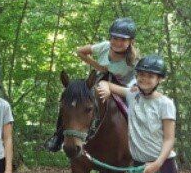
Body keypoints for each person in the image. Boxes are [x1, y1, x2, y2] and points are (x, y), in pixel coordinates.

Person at [46, 17, 139, 152]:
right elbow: (80, 51)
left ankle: (139, 143)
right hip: (101, 80)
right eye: (115, 38)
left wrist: (113, 89)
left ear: (131, 41)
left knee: (135, 110)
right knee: (75, 102)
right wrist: (98, 66)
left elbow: (137, 86)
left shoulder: (134, 60)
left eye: (123, 39)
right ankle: (58, 137)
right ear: (110, 37)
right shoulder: (104, 47)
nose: (118, 42)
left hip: (123, 87)